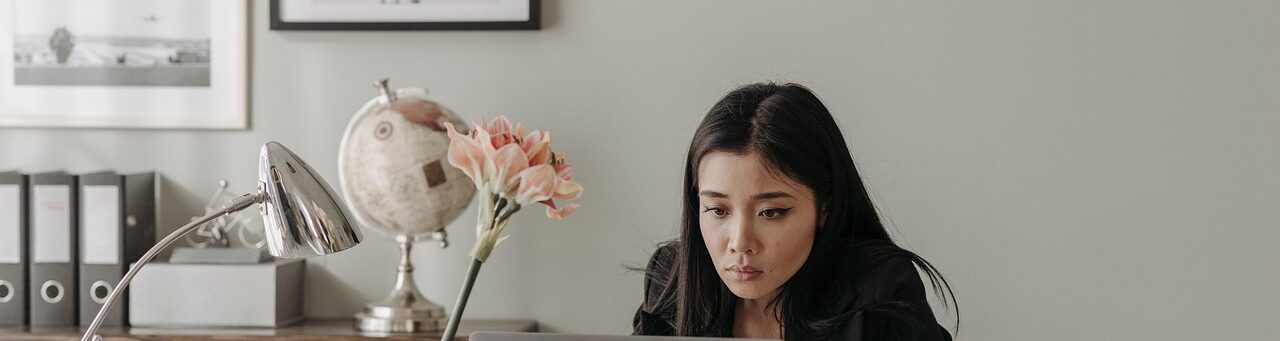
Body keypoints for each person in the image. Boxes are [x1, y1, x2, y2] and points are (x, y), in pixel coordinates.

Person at [634, 82, 957, 340]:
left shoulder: (877, 289)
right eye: (718, 210)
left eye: (771, 212)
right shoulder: (672, 277)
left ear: (825, 209)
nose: (740, 242)